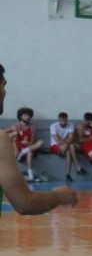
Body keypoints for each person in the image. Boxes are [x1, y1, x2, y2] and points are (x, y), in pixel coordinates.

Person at [0, 64, 78, 218]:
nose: (5, 92)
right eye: (4, 84)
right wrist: (59, 196)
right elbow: (25, 203)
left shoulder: (20, 132)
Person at [11, 107, 44, 182]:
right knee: (30, 153)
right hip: (19, 149)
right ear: (20, 116)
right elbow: (13, 140)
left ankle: (31, 176)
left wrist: (28, 144)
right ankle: (30, 175)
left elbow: (32, 141)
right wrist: (16, 151)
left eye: (29, 115)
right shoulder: (16, 126)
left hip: (28, 148)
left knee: (41, 142)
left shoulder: (32, 127)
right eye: (25, 115)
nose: (28, 117)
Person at [49, 112, 83, 181]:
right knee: (71, 146)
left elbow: (71, 138)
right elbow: (58, 142)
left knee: (69, 150)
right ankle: (78, 166)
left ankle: (68, 174)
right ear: (59, 120)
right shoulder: (53, 126)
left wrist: (69, 143)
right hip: (55, 146)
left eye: (65, 120)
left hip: (66, 147)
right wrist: (70, 142)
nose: (64, 122)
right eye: (62, 120)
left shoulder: (70, 125)